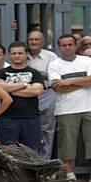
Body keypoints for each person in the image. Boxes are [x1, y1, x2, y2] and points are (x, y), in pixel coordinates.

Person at [48, 35, 91, 182]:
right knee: (67, 145)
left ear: (76, 46)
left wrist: (68, 81)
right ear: (59, 47)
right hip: (66, 109)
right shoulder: (55, 64)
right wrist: (83, 81)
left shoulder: (86, 61)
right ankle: (70, 177)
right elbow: (57, 87)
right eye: (63, 45)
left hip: (90, 107)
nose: (67, 47)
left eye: (70, 44)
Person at [0, 42, 44, 151]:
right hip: (8, 118)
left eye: (20, 53)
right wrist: (24, 85)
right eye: (14, 53)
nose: (17, 56)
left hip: (30, 118)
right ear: (9, 55)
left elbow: (36, 91)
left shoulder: (35, 73)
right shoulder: (0, 73)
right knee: (8, 153)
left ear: (26, 54)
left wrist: (6, 88)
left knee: (31, 153)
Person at [27, 30, 58, 159]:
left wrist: (34, 73)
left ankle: (45, 162)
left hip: (47, 94)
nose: (34, 42)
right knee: (29, 129)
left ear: (43, 42)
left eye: (37, 39)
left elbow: (55, 75)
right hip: (27, 95)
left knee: (46, 129)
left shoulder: (51, 57)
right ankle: (31, 161)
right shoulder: (23, 54)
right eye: (31, 40)